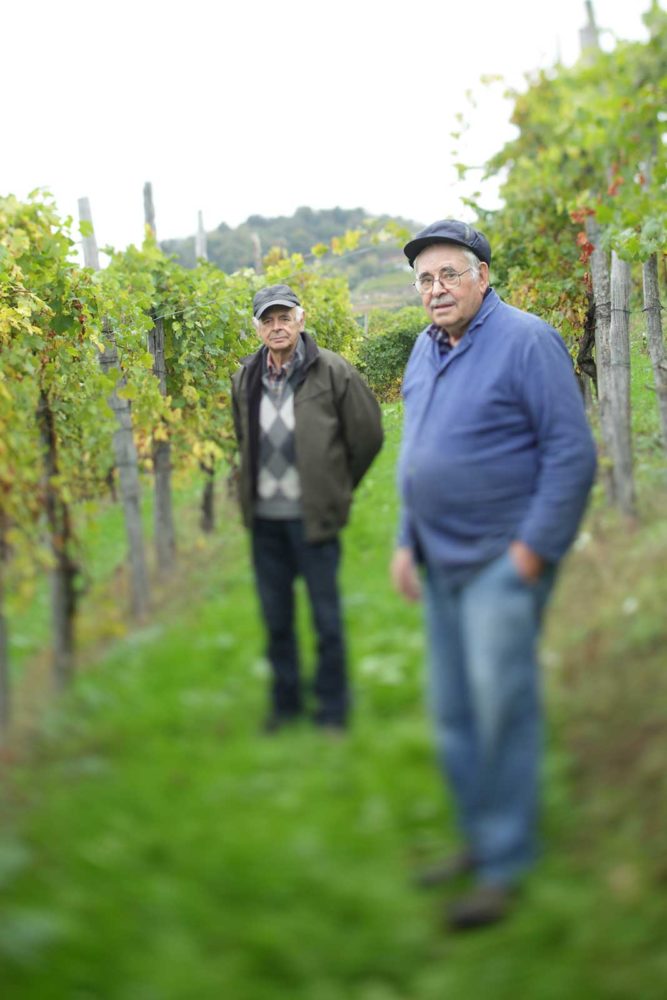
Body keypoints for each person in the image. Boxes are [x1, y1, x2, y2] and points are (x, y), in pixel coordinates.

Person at [391, 220, 597, 930]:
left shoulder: (526, 340)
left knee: (501, 710)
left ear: (482, 274)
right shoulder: (424, 348)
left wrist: (531, 552)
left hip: (499, 561)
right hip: (439, 559)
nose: (435, 289)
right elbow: (415, 451)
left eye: (449, 273)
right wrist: (402, 540)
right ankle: (478, 840)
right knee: (452, 713)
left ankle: (505, 863)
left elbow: (570, 454)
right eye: (424, 278)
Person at [232, 283, 383, 733]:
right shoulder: (245, 378)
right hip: (265, 522)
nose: (276, 327)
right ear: (258, 327)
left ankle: (333, 710)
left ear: (300, 319)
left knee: (325, 617)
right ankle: (285, 706)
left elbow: (369, 434)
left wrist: (337, 486)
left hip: (314, 516)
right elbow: (245, 440)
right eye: (268, 319)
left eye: (284, 317)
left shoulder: (333, 371)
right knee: (276, 619)